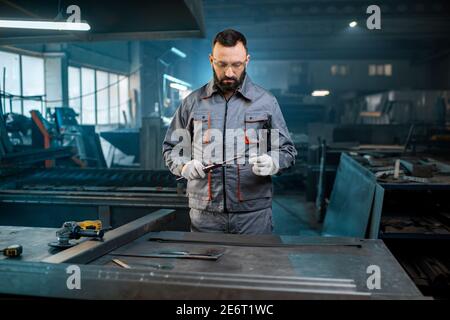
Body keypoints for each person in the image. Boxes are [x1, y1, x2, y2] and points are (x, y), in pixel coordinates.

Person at [163, 29, 296, 234]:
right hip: (205, 217)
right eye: (222, 64)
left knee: (255, 265)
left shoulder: (266, 102)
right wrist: (183, 166)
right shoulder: (192, 103)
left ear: (247, 60)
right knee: (204, 266)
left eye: (236, 64)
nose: (229, 73)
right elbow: (172, 148)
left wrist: (273, 162)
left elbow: (286, 150)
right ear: (211, 60)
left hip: (253, 216)